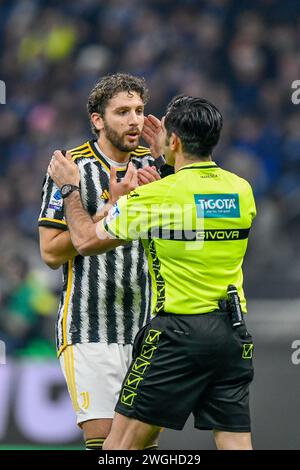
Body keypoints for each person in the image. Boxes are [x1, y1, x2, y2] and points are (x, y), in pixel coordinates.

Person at [48, 95, 257, 450]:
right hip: (232, 335)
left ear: (174, 141)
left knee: (118, 448)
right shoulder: (241, 190)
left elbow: (83, 241)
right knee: (236, 443)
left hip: (178, 334)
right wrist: (168, 158)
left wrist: (70, 188)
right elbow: (196, 208)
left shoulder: (154, 198)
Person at [38, 73, 164, 450]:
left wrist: (170, 160)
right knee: (106, 440)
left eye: (140, 111)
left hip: (147, 327)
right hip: (90, 326)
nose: (135, 121)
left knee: (140, 446)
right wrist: (110, 211)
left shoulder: (154, 168)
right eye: (123, 112)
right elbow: (49, 252)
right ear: (98, 119)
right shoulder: (70, 169)